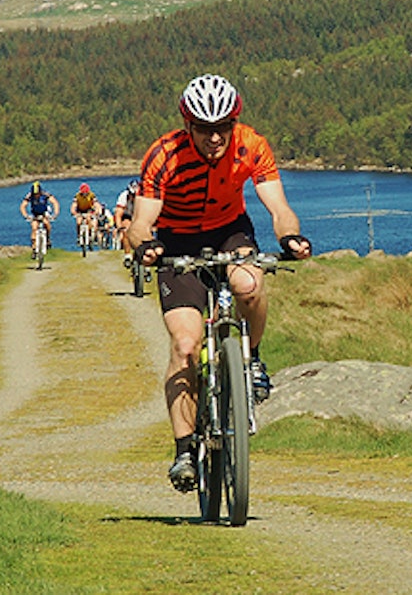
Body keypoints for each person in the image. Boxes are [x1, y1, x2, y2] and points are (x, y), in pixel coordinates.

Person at [125, 73, 311, 493]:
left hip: (230, 229)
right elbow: (140, 223)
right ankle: (185, 449)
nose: (215, 138)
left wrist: (290, 237)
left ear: (234, 122)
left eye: (222, 127)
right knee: (185, 345)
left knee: (249, 284)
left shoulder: (252, 145)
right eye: (205, 130)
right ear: (188, 125)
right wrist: (147, 246)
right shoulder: (164, 156)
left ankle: (253, 358)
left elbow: (279, 207)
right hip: (175, 238)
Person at [19, 181, 59, 253]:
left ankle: (48, 240)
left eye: (37, 194)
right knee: (34, 228)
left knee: (47, 224)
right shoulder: (30, 195)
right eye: (35, 194)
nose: (36, 195)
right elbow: (23, 206)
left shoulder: (45, 194)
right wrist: (26, 216)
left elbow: (54, 202)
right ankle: (34, 247)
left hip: (44, 213)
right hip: (35, 214)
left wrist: (55, 214)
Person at [113, 179, 140, 264]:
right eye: (132, 195)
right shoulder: (123, 196)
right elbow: (118, 214)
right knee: (126, 230)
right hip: (127, 215)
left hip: (139, 215)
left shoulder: (144, 196)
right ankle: (127, 255)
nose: (134, 197)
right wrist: (119, 227)